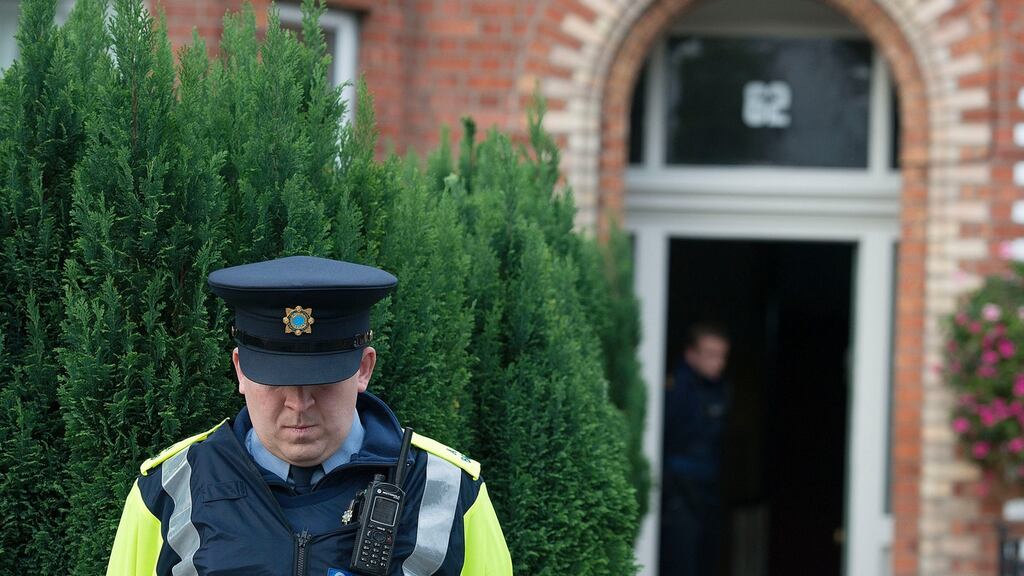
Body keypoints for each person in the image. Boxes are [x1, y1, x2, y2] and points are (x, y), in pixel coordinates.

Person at [106, 255, 512, 576]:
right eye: (275, 380)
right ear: (240, 371)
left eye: (323, 380)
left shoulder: (449, 490)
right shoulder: (168, 489)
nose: (299, 403)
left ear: (364, 370)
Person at [660, 323, 730, 576]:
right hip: (678, 493)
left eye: (722, 356)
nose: (719, 363)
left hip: (707, 494)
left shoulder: (720, 390)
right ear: (691, 354)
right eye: (711, 354)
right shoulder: (675, 388)